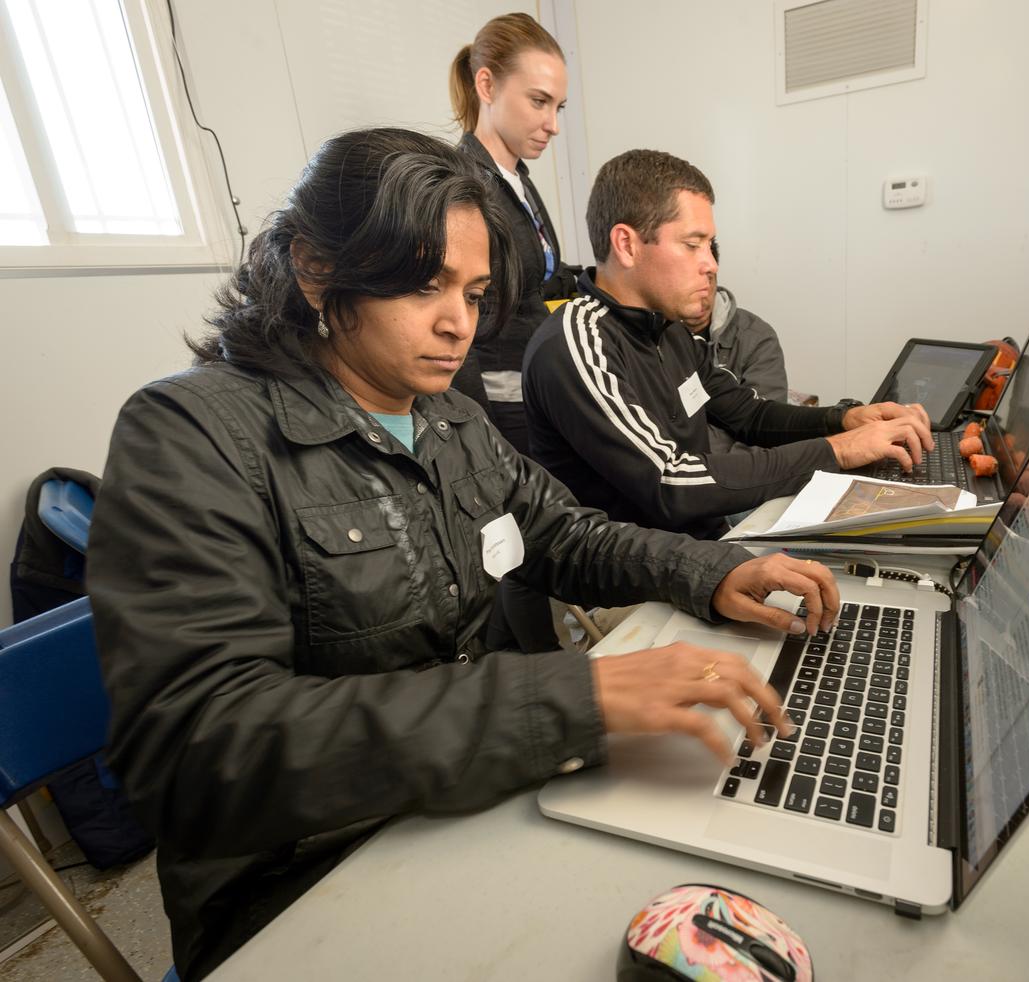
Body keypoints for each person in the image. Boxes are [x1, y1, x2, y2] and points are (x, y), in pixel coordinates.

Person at [86, 129, 840, 980]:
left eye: (475, 293)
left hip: (456, 804)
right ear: (315, 269)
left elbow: (561, 533)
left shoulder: (445, 413)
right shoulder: (188, 435)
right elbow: (199, 751)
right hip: (303, 875)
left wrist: (715, 571)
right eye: (424, 284)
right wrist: (570, 695)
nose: (459, 324)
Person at [522, 148, 934, 541]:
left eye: (710, 245)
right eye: (692, 244)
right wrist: (837, 452)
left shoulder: (669, 330)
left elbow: (748, 416)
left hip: (702, 548)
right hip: (632, 583)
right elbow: (671, 483)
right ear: (627, 245)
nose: (711, 263)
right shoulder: (576, 343)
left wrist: (844, 421)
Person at [448, 12, 579, 455]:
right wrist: (471, 427)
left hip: (541, 384)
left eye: (558, 107)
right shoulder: (463, 185)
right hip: (502, 402)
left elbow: (541, 274)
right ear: (487, 86)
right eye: (538, 102)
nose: (553, 124)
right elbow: (458, 312)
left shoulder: (517, 176)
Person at [681, 251, 790, 454]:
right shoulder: (660, 338)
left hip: (730, 473)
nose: (702, 292)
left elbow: (764, 428)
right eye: (688, 283)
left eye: (708, 280)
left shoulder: (756, 337)